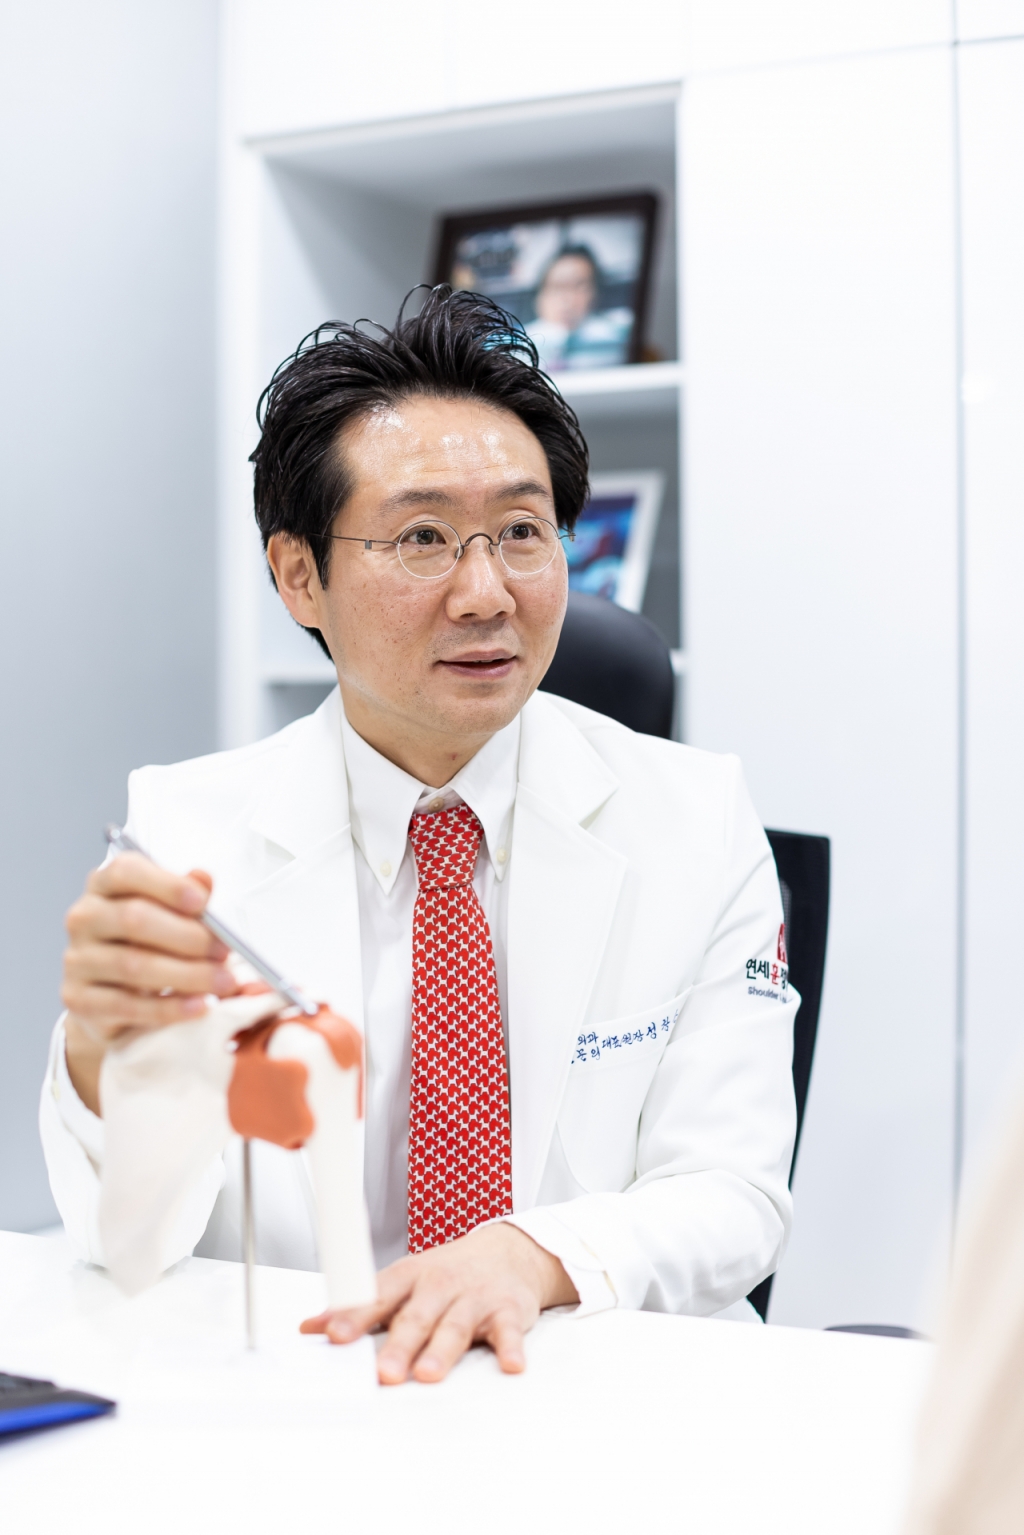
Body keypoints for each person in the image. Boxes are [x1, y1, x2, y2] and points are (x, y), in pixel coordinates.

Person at [41, 287, 797, 1386]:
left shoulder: (696, 815)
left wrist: (528, 1255)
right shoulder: (183, 838)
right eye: (423, 538)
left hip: (598, 1380)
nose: (486, 592)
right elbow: (132, 1244)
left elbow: (734, 1193)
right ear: (299, 574)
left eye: (522, 532)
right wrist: (101, 1050)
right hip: (308, 1390)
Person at [525, 245, 634, 371]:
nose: (567, 299)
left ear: (596, 293)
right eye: (557, 287)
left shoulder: (618, 339)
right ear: (539, 298)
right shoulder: (517, 344)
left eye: (579, 287)